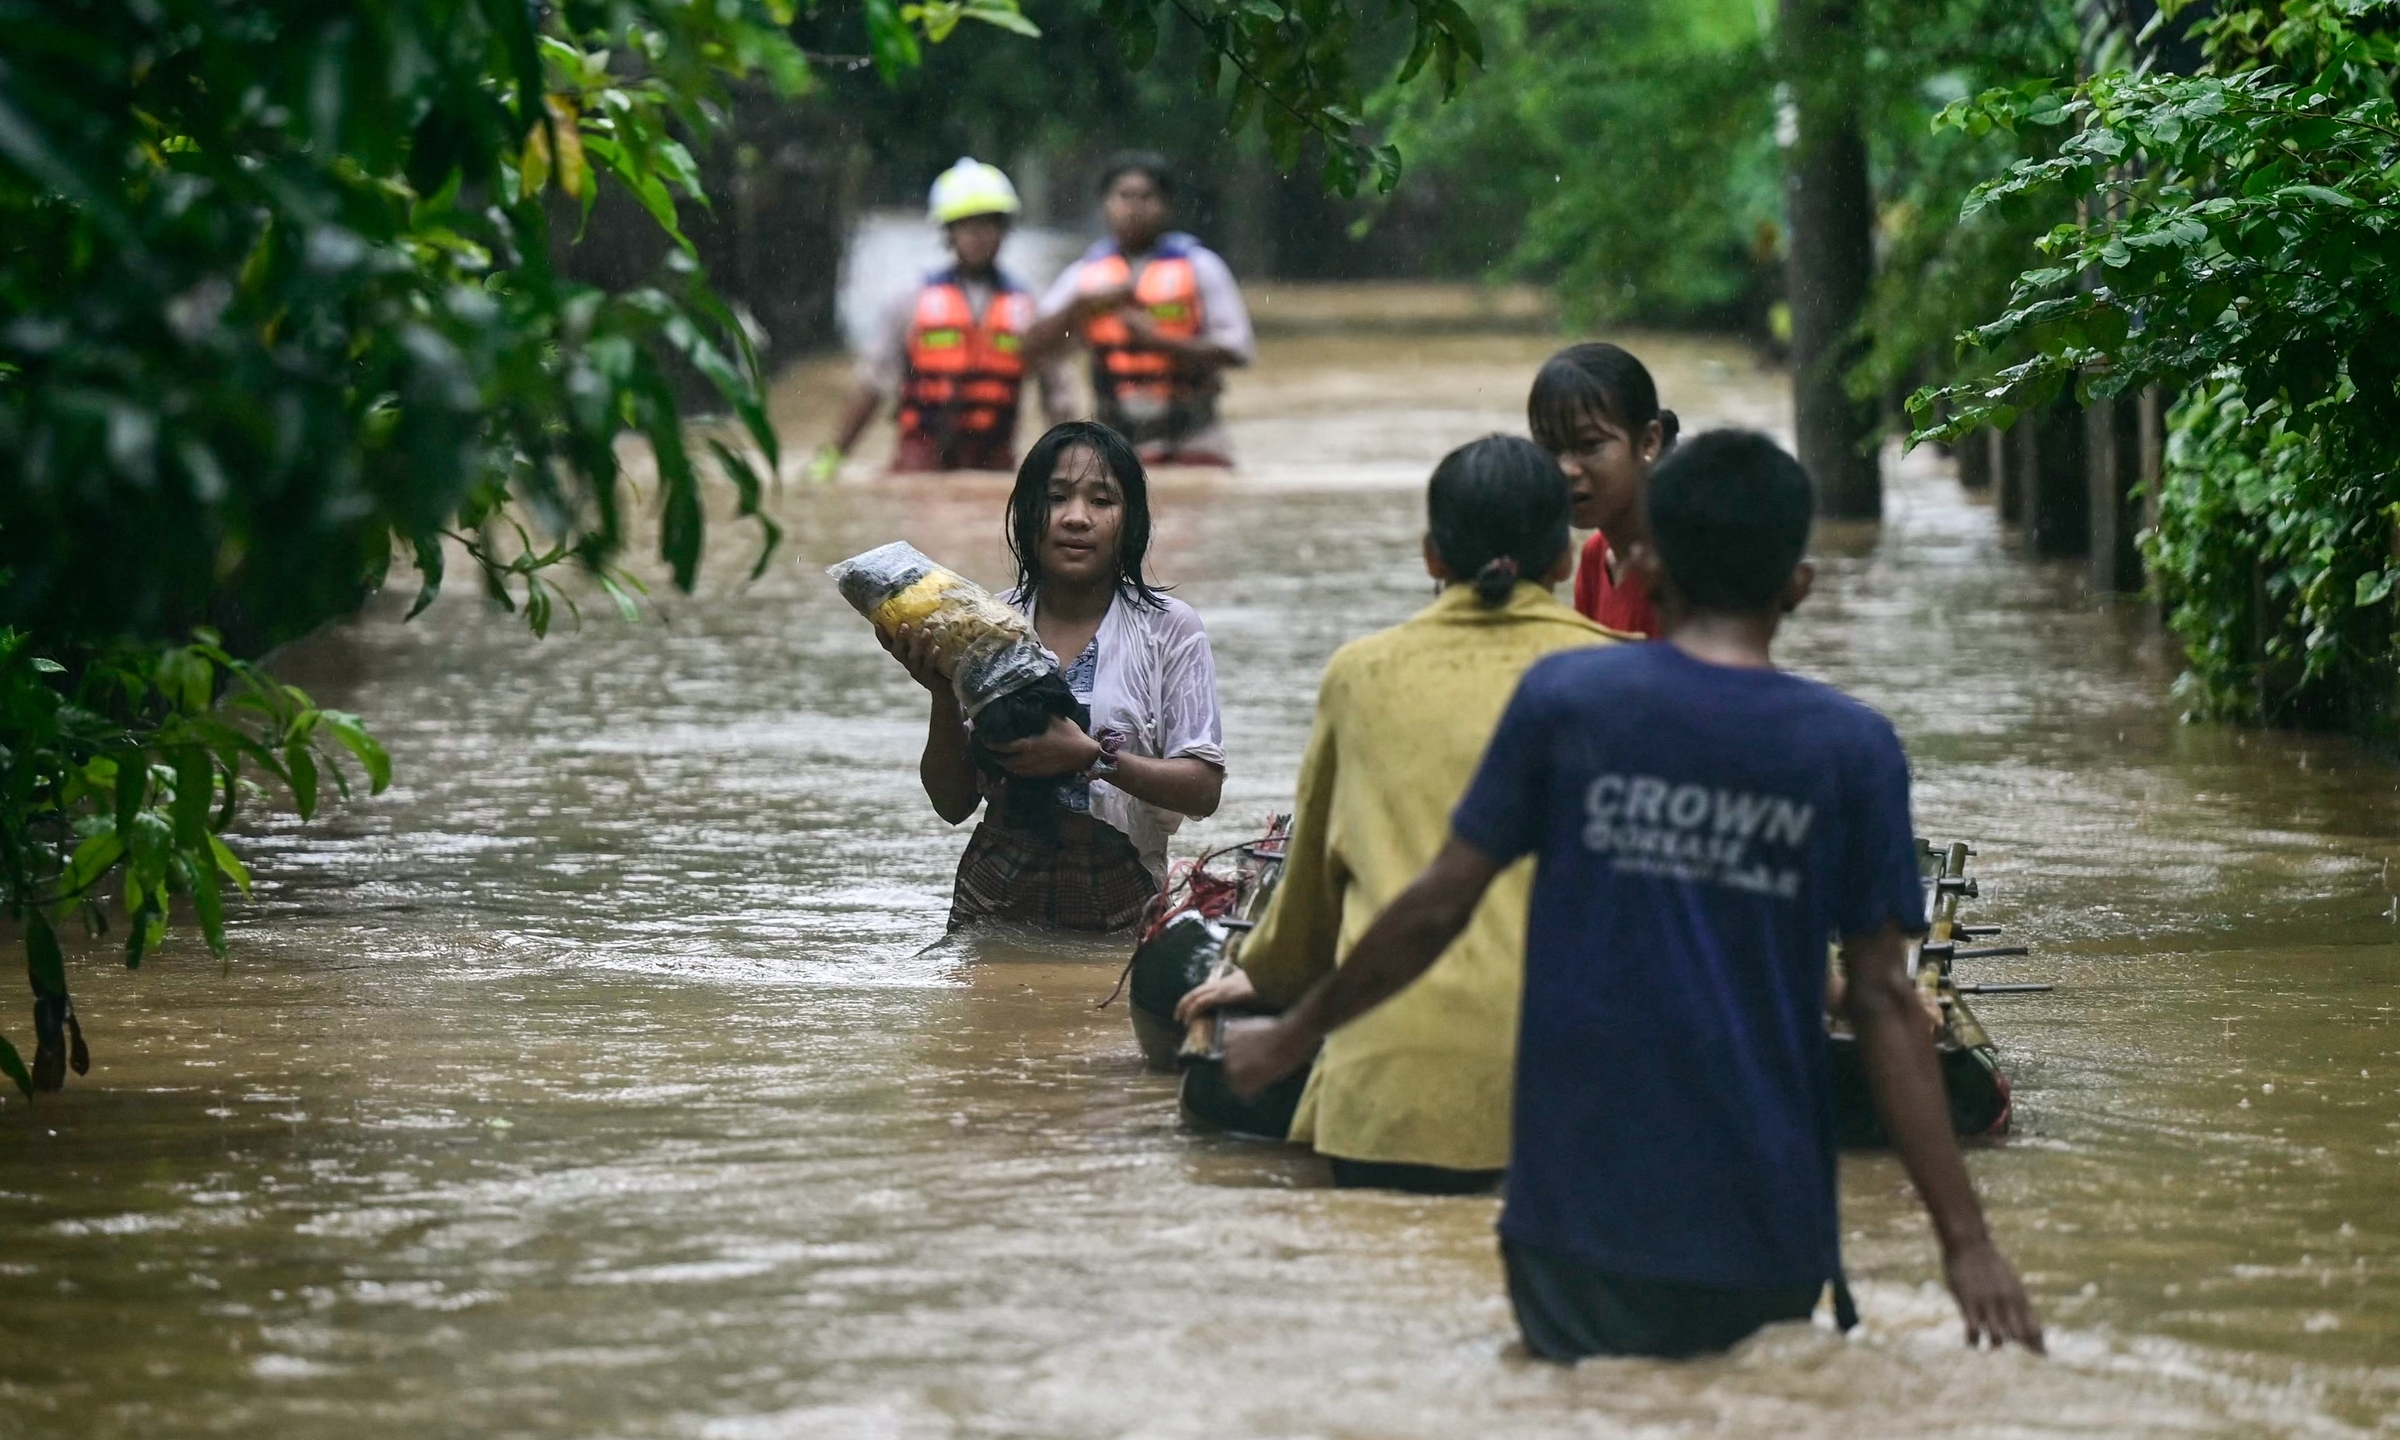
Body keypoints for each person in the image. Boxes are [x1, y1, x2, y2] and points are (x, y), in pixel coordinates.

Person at [1222, 431, 2044, 1361]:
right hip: (1764, 1218)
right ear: (1800, 585)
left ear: (1643, 566)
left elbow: (1435, 906)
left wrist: (1293, 1034)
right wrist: (1967, 1246)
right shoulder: (1852, 748)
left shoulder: (1568, 703)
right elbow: (1888, 1003)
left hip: (1575, 1218)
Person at [1173, 437, 1621, 1193]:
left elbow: (1313, 889)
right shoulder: (1627, 674)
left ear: (1431, 557)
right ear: (1565, 561)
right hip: (1583, 1103)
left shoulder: (1361, 675)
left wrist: (1261, 977)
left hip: (1393, 1097)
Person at [880, 421, 1226, 931]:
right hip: (994, 889)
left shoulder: (1170, 629)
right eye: (1056, 497)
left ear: (1130, 521)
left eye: (1102, 501)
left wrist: (1092, 757)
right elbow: (953, 805)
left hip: (1126, 894)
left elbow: (1203, 789)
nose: (1076, 518)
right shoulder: (986, 623)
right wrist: (941, 690)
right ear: (1026, 515)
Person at [811, 158, 1072, 479]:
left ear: (1004, 229)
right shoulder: (909, 302)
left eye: (989, 223)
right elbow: (871, 386)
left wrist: (1070, 464)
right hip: (919, 463)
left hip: (994, 465)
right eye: (966, 225)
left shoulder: (1030, 309)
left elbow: (1057, 395)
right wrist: (833, 457)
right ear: (948, 232)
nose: (978, 235)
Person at [1023, 153, 1254, 467]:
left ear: (1166, 206)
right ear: (1106, 204)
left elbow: (1238, 349)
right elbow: (1033, 346)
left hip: (1194, 436)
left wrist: (1160, 342)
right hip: (1116, 440)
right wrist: (1080, 306)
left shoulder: (1201, 266)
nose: (1134, 208)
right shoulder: (1084, 276)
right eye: (1124, 197)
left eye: (1147, 197)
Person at [1527, 343, 1678, 638]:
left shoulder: (1682, 569)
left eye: (1589, 445)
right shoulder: (1595, 557)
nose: (1566, 469)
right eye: (1549, 448)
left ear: (1649, 442)